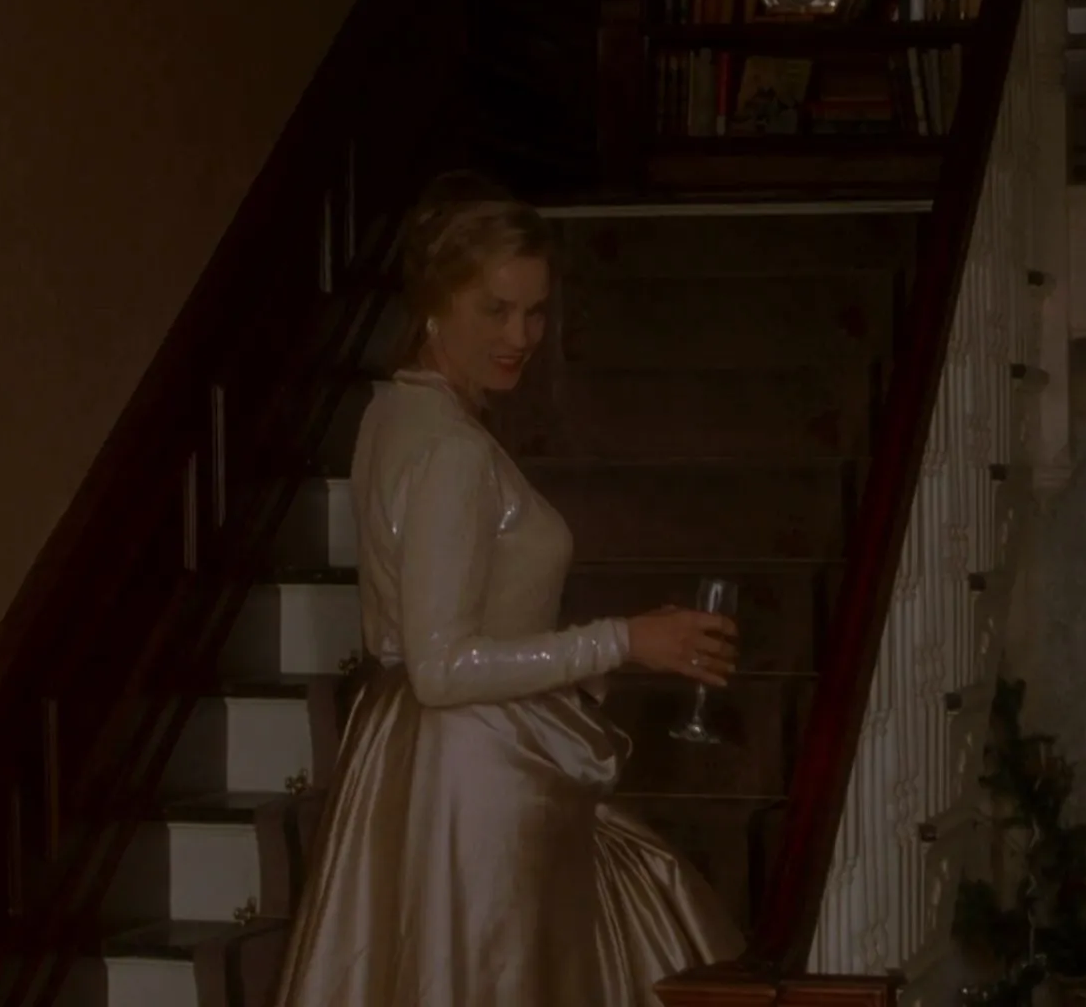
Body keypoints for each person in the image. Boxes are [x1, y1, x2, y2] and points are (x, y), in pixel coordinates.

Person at [272, 172, 745, 1006]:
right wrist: (623, 640)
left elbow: (441, 645)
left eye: (535, 312)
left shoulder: (395, 414)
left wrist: (620, 650)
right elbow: (443, 666)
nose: (520, 335)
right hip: (476, 767)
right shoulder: (452, 452)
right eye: (495, 310)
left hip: (435, 751)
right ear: (434, 302)